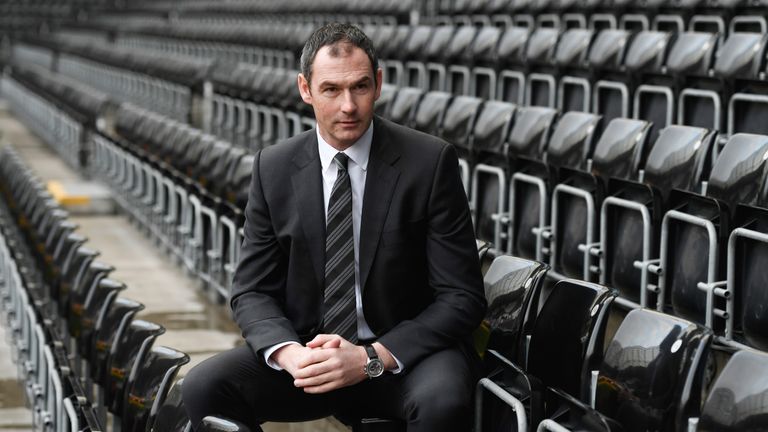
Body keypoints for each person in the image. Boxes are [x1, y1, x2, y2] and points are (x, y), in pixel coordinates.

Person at [182, 23, 486, 432]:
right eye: (331, 90)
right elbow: (252, 290)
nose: (348, 106)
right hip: (312, 355)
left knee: (444, 401)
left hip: (402, 357)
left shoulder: (429, 163)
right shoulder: (273, 168)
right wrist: (289, 353)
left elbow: (461, 297)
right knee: (204, 388)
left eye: (360, 87)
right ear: (305, 90)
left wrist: (370, 357)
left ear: (378, 84)